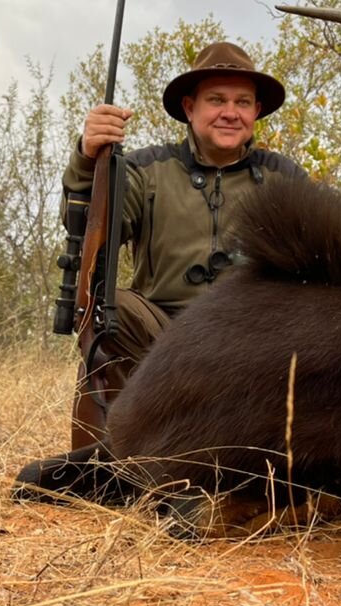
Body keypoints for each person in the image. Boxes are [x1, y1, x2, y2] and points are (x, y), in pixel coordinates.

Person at [62, 41, 306, 447]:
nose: (231, 112)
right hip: (163, 335)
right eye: (217, 100)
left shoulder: (284, 177)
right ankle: (110, 459)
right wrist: (88, 159)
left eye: (243, 102)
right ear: (190, 108)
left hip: (254, 338)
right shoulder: (144, 169)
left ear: (256, 112)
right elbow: (92, 229)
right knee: (110, 307)